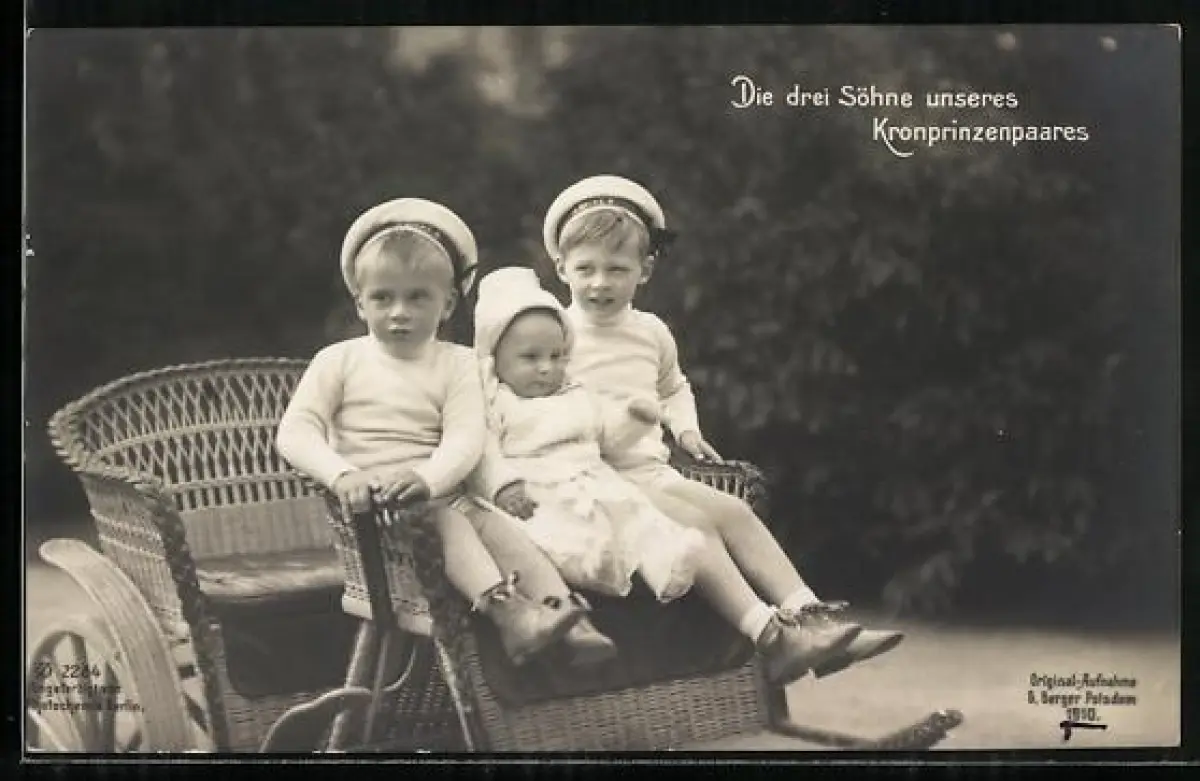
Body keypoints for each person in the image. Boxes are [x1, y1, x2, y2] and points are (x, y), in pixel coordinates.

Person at [539, 175, 905, 683]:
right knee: (695, 524)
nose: (600, 283)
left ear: (645, 270)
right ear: (561, 267)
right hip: (596, 481)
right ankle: (771, 638)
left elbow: (673, 387)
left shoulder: (651, 332)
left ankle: (812, 619)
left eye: (617, 269)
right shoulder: (553, 332)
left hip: (649, 470)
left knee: (734, 510)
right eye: (586, 269)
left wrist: (686, 430)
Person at [276, 198, 606, 667]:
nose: (399, 312)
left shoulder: (458, 363)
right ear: (360, 302)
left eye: (418, 298)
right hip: (376, 516)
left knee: (499, 527)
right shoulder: (339, 361)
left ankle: (565, 615)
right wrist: (343, 475)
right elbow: (296, 431)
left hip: (443, 492)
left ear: (447, 303)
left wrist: (429, 479)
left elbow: (466, 438)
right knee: (445, 522)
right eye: (383, 298)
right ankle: (508, 614)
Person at [469, 266, 707, 612]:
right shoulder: (495, 403)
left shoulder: (575, 393)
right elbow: (482, 452)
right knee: (558, 532)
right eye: (531, 357)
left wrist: (634, 421)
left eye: (556, 356)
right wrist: (502, 486)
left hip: (593, 478)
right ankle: (593, 568)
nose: (547, 367)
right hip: (536, 489)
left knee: (635, 515)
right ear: (495, 358)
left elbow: (606, 435)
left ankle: (665, 568)